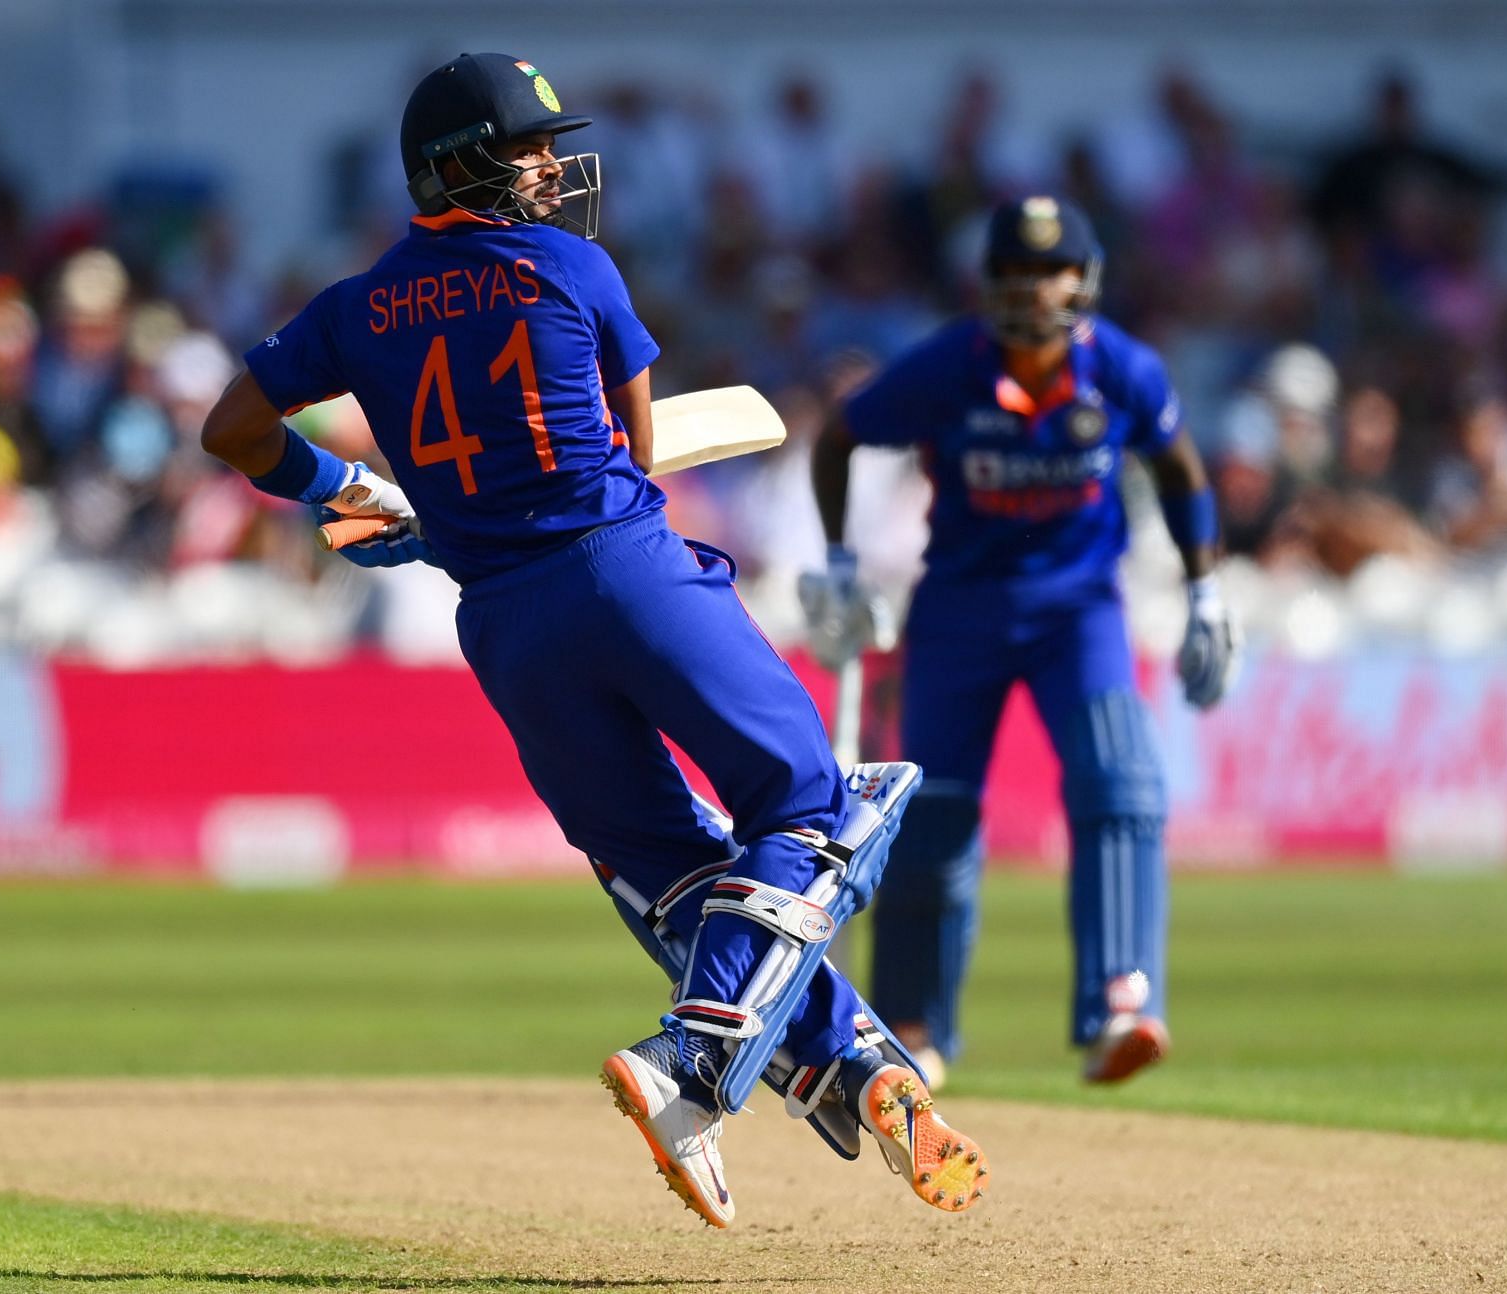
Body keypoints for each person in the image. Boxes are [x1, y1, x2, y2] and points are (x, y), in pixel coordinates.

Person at [197, 51, 987, 1229]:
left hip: (503, 622)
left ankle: (844, 1063)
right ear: (458, 162)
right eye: (529, 148)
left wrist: (354, 483)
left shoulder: (354, 307)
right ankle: (693, 1059)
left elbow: (233, 428)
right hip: (625, 575)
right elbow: (635, 441)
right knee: (822, 800)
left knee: (670, 873)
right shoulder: (571, 263)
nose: (552, 166)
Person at [806, 195, 1239, 1089]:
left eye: (1054, 274)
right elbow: (839, 437)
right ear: (990, 283)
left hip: (1078, 610)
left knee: (1122, 780)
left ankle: (1122, 1002)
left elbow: (1183, 468)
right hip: (961, 610)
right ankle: (915, 1029)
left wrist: (1206, 590)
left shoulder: (1121, 369)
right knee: (931, 817)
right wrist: (843, 563)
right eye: (1018, 274)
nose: (1037, 293)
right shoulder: (948, 368)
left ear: (1085, 281)